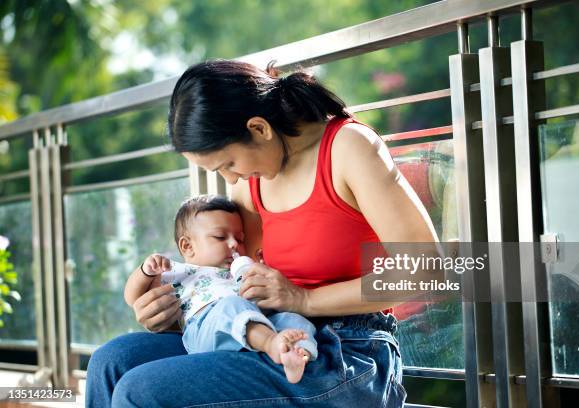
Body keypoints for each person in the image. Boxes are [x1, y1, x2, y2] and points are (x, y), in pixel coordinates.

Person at [86, 59, 438, 407]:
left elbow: (429, 272)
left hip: (348, 352)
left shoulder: (349, 148)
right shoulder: (253, 182)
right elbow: (228, 281)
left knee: (141, 391)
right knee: (113, 363)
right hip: (267, 331)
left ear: (259, 128)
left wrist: (305, 300)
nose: (231, 179)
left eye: (227, 164)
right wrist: (173, 312)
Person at [123, 194, 317, 384]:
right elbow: (133, 297)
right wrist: (146, 271)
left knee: (292, 319)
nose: (234, 244)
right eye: (220, 237)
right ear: (187, 246)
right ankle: (272, 344)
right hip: (205, 330)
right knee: (231, 306)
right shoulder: (181, 271)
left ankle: (297, 355)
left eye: (240, 239)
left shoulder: (239, 270)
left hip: (251, 324)